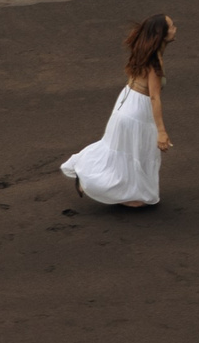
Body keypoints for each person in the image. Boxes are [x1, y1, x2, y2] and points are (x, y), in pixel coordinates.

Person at [63, 14, 176, 208]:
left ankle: (129, 191)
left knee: (124, 150)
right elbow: (155, 97)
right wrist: (162, 132)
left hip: (125, 102)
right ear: (162, 34)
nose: (175, 28)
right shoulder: (154, 62)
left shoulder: (142, 50)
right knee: (136, 151)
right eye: (172, 26)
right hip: (137, 111)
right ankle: (89, 180)